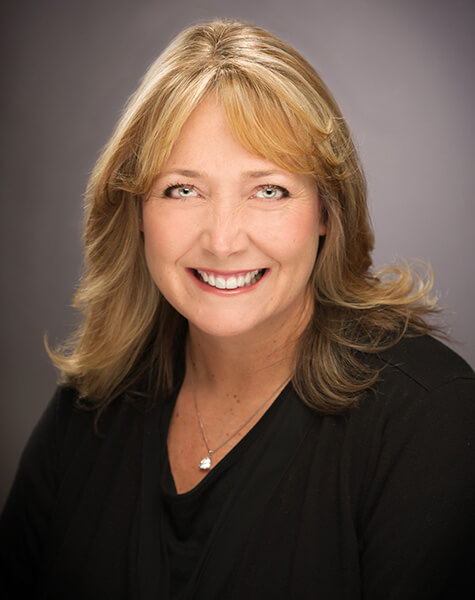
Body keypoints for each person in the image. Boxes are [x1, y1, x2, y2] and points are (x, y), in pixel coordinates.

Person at [1, 18, 474, 600]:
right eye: (183, 189)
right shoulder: (90, 407)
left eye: (268, 190)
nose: (223, 240)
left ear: (326, 212)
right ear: (137, 214)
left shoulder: (430, 418)